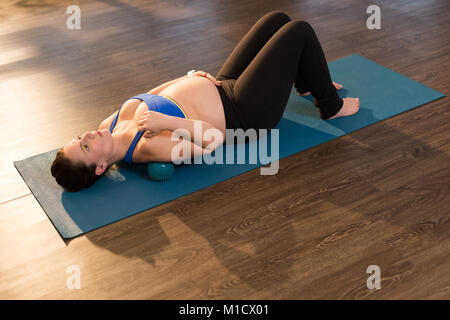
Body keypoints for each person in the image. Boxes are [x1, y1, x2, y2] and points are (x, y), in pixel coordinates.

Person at [51, 10, 360, 192]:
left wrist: (188, 77)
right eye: (87, 147)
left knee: (275, 19)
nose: (89, 135)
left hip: (220, 83)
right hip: (242, 112)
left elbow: (152, 94)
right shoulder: (148, 148)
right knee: (298, 32)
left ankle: (305, 83)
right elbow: (212, 142)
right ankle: (330, 107)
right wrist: (168, 122)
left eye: (81, 138)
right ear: (101, 167)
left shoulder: (108, 124)